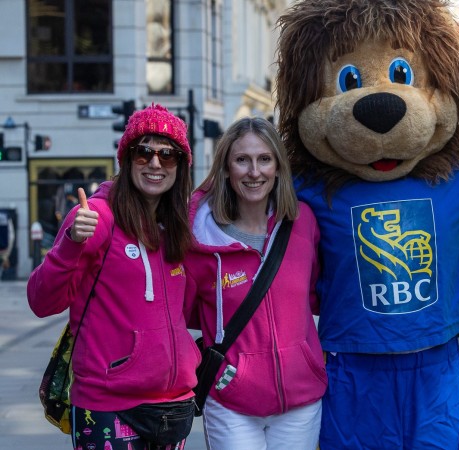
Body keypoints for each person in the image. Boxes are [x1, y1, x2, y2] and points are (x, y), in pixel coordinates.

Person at [27, 104, 199, 449]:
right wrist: (71, 243)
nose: (154, 163)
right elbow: (42, 301)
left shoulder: (179, 226)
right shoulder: (96, 217)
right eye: (143, 152)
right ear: (126, 158)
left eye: (167, 155)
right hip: (108, 406)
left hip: (174, 403)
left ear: (180, 166)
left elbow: (191, 306)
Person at [183, 117, 326, 450]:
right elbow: (183, 314)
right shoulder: (199, 241)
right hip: (232, 401)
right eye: (242, 160)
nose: (254, 171)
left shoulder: (302, 222)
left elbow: (314, 294)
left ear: (278, 167)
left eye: (264, 159)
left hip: (301, 398)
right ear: (226, 169)